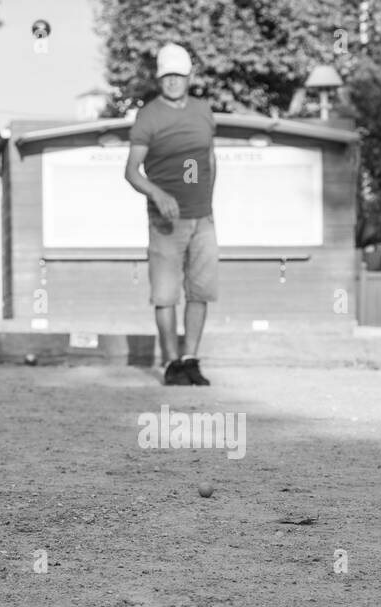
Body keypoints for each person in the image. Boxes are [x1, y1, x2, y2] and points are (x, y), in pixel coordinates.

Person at [124, 42, 216, 386]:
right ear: (159, 79)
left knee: (201, 290)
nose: (173, 81)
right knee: (165, 294)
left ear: (189, 75)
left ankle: (190, 359)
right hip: (165, 221)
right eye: (167, 76)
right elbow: (132, 171)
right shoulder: (149, 116)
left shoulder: (204, 111)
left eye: (179, 75)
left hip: (203, 217)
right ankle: (171, 363)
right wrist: (157, 193)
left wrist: (209, 201)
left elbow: (209, 158)